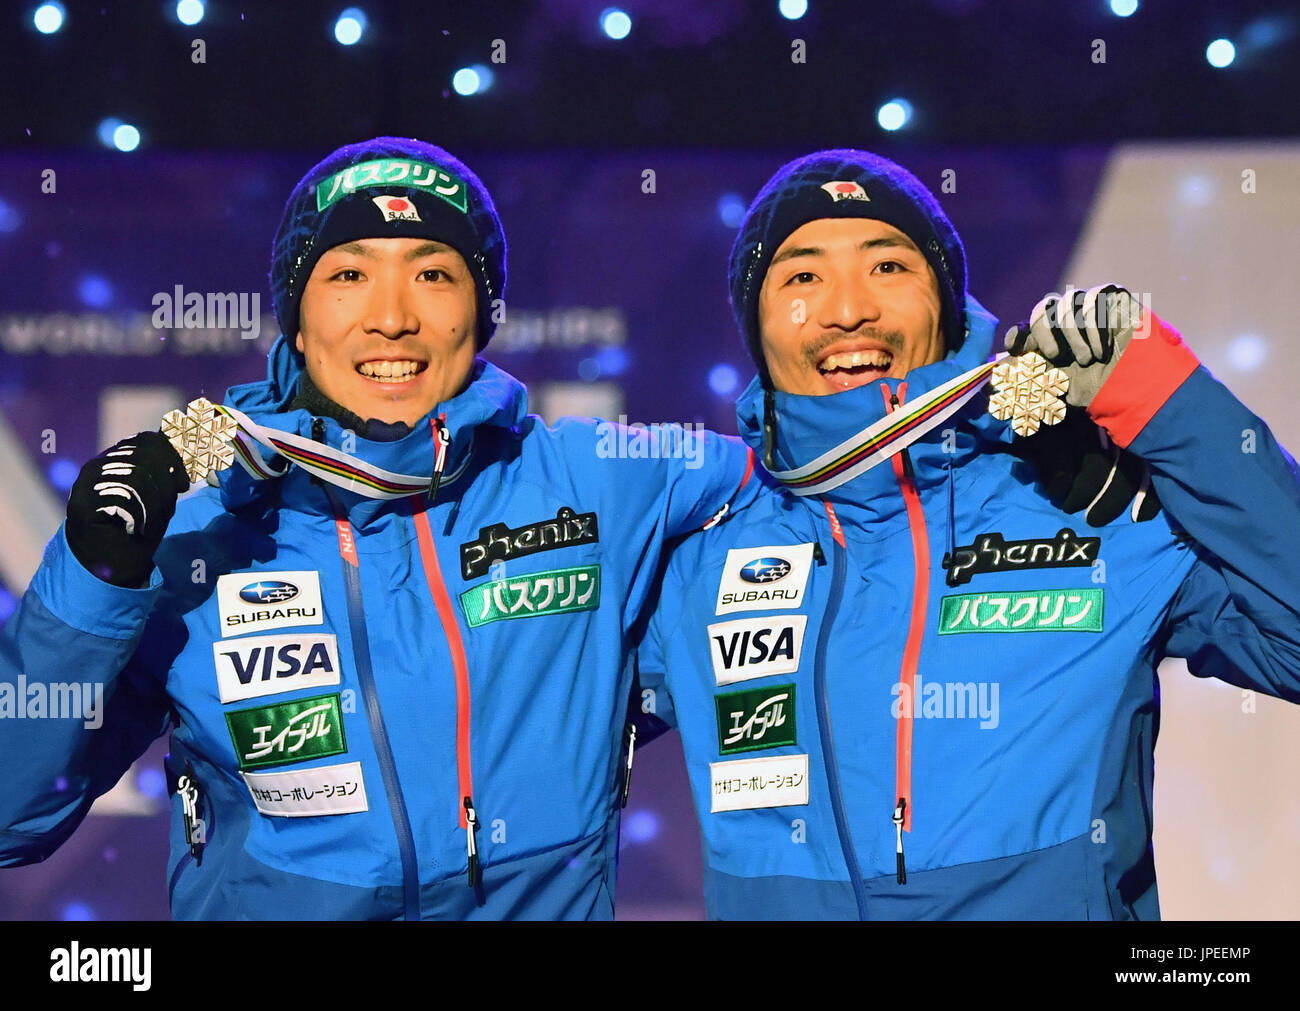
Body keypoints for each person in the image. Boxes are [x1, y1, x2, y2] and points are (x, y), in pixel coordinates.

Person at [0, 136, 759, 920]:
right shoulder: (197, 536)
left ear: (482, 311)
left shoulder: (605, 482)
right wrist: (91, 580)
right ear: (296, 321)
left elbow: (816, 477)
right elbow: (10, 815)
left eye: (433, 273)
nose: (392, 318)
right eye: (349, 274)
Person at [635, 148, 1300, 920]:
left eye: (888, 267)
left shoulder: (1090, 506)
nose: (848, 309)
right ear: (754, 321)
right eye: (801, 276)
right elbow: (515, 728)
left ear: (948, 303)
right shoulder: (700, 556)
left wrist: (1170, 404)